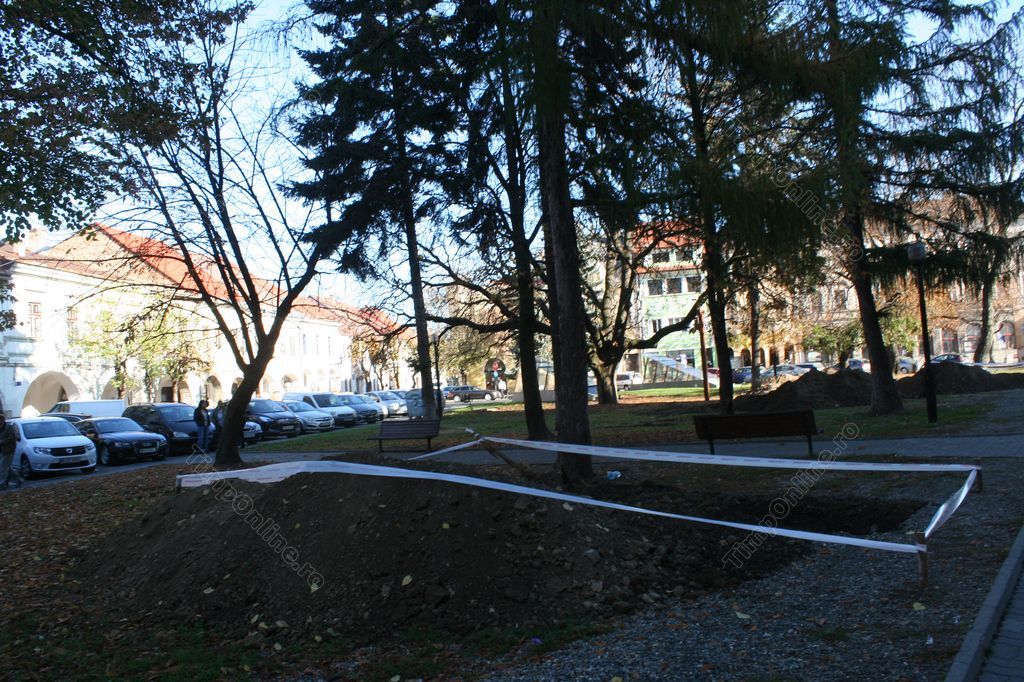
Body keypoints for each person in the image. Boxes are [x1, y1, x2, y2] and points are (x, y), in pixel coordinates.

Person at [0, 414, 22, 488]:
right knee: (7, 467)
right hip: (1, 450)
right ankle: (19, 479)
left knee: (3, 467)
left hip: (8, 450)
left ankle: (2, 483)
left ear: (3, 420)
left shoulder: (9, 427)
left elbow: (12, 437)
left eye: (0, 419)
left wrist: (2, 441)